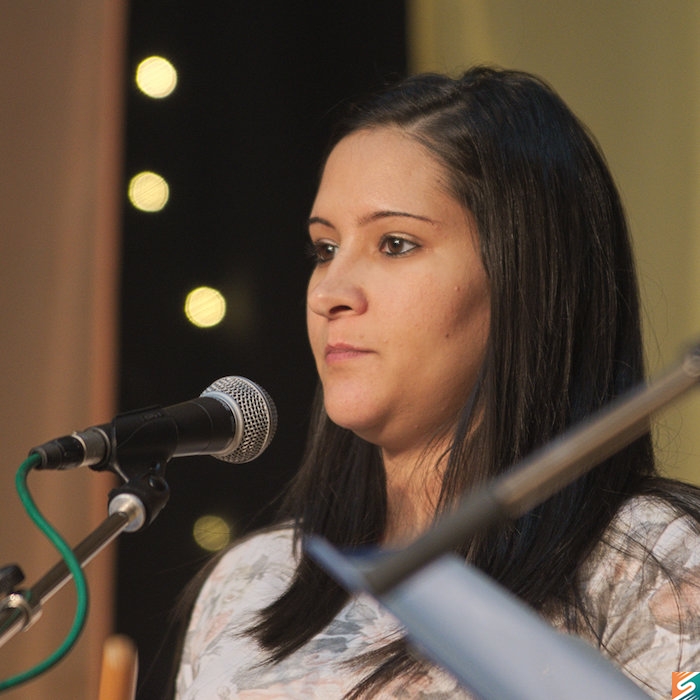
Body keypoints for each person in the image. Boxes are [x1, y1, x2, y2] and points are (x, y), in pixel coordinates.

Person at [174, 66, 700, 699]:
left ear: (525, 277)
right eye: (324, 249)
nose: (330, 292)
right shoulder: (249, 580)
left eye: (395, 244)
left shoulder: (660, 563)